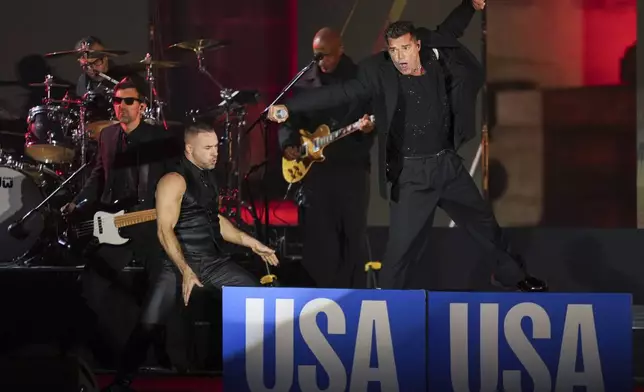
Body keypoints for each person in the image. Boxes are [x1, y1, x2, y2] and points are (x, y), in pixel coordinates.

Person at [267, 0, 547, 292]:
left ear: (417, 45)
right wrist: (289, 108)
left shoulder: (435, 57)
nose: (399, 57)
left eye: (404, 48)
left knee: (484, 225)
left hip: (446, 166)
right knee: (401, 252)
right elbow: (340, 93)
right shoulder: (378, 71)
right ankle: (389, 305)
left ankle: (512, 275)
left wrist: (470, 6)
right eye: (393, 50)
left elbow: (451, 29)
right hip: (411, 174)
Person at [102, 122, 278, 391]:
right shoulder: (173, 180)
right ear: (189, 149)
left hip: (211, 261)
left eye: (216, 147)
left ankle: (260, 376)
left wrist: (250, 242)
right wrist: (184, 269)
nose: (214, 153)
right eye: (207, 148)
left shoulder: (208, 176)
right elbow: (164, 230)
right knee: (148, 324)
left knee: (257, 300)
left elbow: (214, 219)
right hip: (175, 262)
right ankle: (120, 383)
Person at [60, 77, 179, 387]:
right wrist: (79, 202)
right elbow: (99, 172)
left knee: (160, 287)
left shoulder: (159, 138)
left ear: (141, 105)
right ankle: (82, 355)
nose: (121, 107)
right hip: (116, 223)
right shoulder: (109, 136)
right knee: (91, 282)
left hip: (151, 224)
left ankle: (165, 359)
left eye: (128, 101)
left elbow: (179, 179)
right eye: (116, 101)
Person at [278, 27, 375, 289]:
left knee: (351, 238)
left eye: (327, 55)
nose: (321, 62)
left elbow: (372, 120)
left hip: (350, 169)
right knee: (319, 240)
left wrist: (367, 129)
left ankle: (355, 300)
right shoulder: (304, 82)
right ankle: (319, 297)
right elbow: (288, 119)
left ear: (341, 49)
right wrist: (288, 144)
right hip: (314, 175)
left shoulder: (359, 80)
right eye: (317, 56)